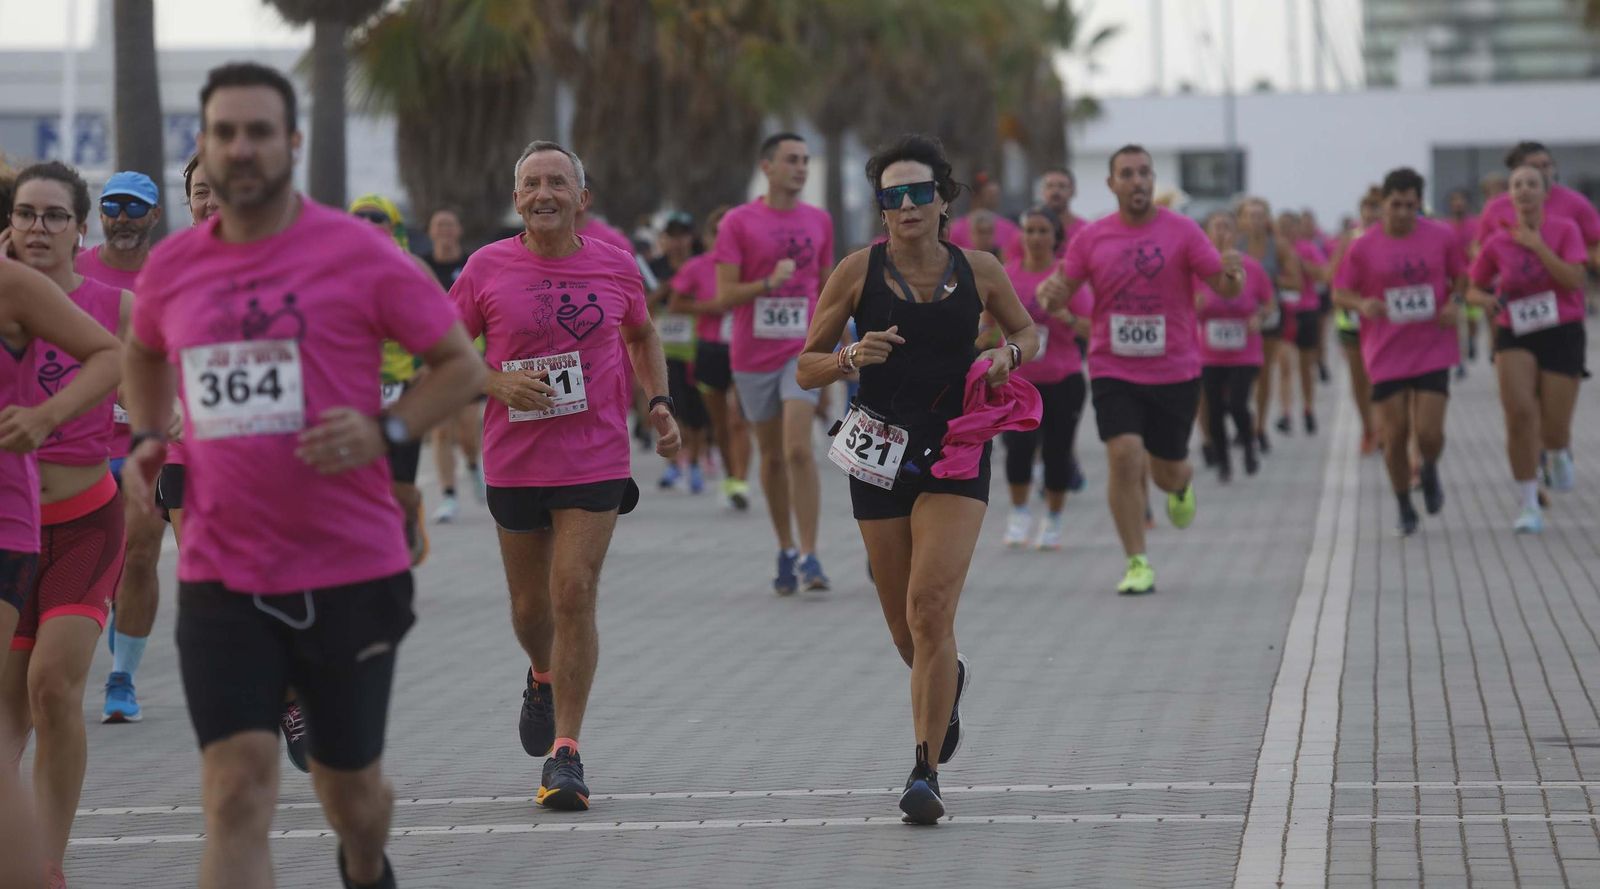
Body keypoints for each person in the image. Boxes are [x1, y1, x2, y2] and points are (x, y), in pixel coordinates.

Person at [120, 62, 483, 889]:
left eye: (258, 132)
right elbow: (142, 349)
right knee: (236, 790)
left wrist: (386, 427)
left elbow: (457, 367)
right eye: (224, 133)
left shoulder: (360, 253)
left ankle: (365, 864)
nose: (240, 149)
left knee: (351, 793)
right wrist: (147, 433)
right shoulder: (174, 267)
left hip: (349, 567)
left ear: (292, 142)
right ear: (204, 147)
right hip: (221, 570)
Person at [797, 133, 1039, 824]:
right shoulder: (856, 271)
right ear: (880, 208)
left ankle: (924, 770)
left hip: (955, 447)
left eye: (918, 193)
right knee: (907, 628)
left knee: (932, 608)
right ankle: (947, 680)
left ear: (943, 199)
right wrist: (849, 357)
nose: (906, 206)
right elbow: (805, 365)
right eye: (892, 196)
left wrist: (1007, 354)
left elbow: (1029, 331)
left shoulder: (980, 267)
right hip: (876, 452)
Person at [451, 139, 678, 813]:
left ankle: (568, 751)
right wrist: (495, 382)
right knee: (531, 609)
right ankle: (542, 673)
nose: (543, 193)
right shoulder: (484, 267)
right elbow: (442, 345)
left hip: (595, 453)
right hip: (516, 458)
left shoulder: (615, 266)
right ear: (516, 198)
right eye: (531, 183)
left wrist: (658, 402)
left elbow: (642, 334)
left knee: (574, 590)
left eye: (558, 182)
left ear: (583, 198)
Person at [1038, 145, 1243, 595]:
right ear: (1112, 184)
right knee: (1124, 454)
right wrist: (1051, 293)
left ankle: (1182, 482)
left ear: (1153, 181)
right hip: (1114, 366)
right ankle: (1137, 561)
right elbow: (1061, 291)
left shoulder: (1184, 232)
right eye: (1127, 174)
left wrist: (1233, 273)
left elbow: (1224, 288)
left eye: (1144, 173)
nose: (1137, 181)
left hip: (1176, 370)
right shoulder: (1092, 238)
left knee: (1167, 470)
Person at [0, 167, 126, 889]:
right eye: (26, 214)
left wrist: (157, 428)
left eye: (55, 216)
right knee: (9, 709)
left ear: (83, 229)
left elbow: (150, 369)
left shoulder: (116, 305)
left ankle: (47, 861)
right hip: (13, 527)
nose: (39, 228)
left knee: (53, 684)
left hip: (86, 523)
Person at [714, 133, 834, 594]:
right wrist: (767, 282)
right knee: (772, 456)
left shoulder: (819, 220)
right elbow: (724, 296)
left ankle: (810, 553)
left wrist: (843, 349)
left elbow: (828, 292)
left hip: (802, 352)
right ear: (767, 167)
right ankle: (785, 547)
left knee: (798, 448)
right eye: (791, 160)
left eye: (805, 160)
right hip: (752, 354)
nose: (801, 168)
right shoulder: (738, 223)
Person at [73, 170, 163, 724]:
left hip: (147, 442)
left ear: (155, 215)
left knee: (140, 553)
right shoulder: (72, 272)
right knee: (88, 566)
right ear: (98, 215)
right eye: (114, 206)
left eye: (136, 207)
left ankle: (121, 678)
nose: (124, 217)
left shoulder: (170, 275)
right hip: (78, 441)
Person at [1333, 167, 1466, 536]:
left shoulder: (1441, 237)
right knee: (1394, 435)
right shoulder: (1363, 246)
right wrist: (1361, 304)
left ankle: (1430, 467)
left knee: (1429, 433)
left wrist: (1454, 302)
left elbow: (1462, 277)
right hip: (1386, 351)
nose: (1404, 213)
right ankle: (1404, 502)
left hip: (1432, 347)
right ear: (1383, 205)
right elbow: (1339, 292)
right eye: (1396, 205)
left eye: (1411, 205)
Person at [1467, 163, 1588, 532]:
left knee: (1554, 428)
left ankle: (1556, 453)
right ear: (1510, 195)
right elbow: (1473, 287)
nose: (1523, 191)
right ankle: (1529, 504)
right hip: (1515, 329)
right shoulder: (1497, 240)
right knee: (1519, 415)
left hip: (1561, 328)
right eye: (1517, 185)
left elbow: (1574, 281)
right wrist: (1485, 301)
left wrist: (1539, 247)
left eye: (1531, 184)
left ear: (1545, 192)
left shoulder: (1565, 230)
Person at [349, 194, 434, 566]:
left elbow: (450, 325)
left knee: (398, 486)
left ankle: (410, 508)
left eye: (377, 217)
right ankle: (375, 556)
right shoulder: (336, 270)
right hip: (356, 393)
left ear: (394, 225)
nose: (367, 223)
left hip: (404, 392)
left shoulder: (412, 268)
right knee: (360, 482)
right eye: (360, 217)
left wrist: (428, 374)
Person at [999, 207, 1089, 549]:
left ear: (1056, 237)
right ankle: (1019, 513)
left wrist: (1062, 314)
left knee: (1057, 452)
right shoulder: (1007, 275)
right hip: (1018, 382)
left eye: (1042, 231)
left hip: (1062, 379)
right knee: (1017, 450)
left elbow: (1092, 328)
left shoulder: (1066, 279)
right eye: (1029, 230)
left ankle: (1053, 519)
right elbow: (990, 325)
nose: (1035, 238)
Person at [668, 209, 752, 507]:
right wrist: (711, 306)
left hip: (745, 348)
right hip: (709, 349)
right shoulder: (697, 266)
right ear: (708, 236)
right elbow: (676, 304)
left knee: (740, 420)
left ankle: (740, 482)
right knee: (719, 423)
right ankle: (730, 475)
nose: (723, 237)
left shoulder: (752, 265)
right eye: (717, 232)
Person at [1195, 210, 1272, 482]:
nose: (1222, 233)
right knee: (1214, 408)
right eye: (1216, 227)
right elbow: (1182, 305)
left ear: (1236, 234)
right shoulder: (1197, 269)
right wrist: (1195, 306)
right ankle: (1224, 460)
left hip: (1245, 351)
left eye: (1227, 227)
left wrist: (1259, 317)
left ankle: (1249, 444)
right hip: (1209, 354)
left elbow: (1269, 302)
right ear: (1206, 234)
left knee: (1238, 403)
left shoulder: (1251, 267)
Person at [421, 208, 484, 524]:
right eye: (438, 225)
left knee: (468, 433)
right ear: (431, 232)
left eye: (449, 225)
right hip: (434, 361)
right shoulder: (420, 266)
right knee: (442, 431)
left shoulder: (473, 264)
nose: (444, 230)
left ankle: (474, 467)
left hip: (471, 359)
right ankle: (448, 496)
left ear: (458, 230)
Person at [649, 213, 710, 493]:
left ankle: (695, 464)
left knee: (696, 413)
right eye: (671, 235)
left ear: (691, 237)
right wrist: (665, 291)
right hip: (662, 350)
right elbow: (639, 304)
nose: (677, 241)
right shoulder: (654, 267)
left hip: (696, 349)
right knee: (668, 410)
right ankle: (673, 465)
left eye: (682, 234)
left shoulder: (701, 265)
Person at [1235, 197, 1301, 455]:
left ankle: (1259, 427)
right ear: (1240, 220)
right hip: (1236, 319)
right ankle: (1243, 423)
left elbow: (1296, 282)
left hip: (1269, 315)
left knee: (1263, 375)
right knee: (1239, 377)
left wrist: (1269, 279)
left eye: (1260, 215)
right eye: (1249, 215)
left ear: (1267, 219)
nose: (1255, 220)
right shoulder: (1233, 246)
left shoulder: (1279, 247)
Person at [1327, 187, 1384, 455]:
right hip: (1351, 318)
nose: (1372, 213)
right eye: (1367, 207)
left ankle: (1383, 425)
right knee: (1359, 379)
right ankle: (1367, 428)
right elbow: (1333, 274)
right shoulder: (1350, 238)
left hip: (1382, 319)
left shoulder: (1390, 238)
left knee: (1381, 377)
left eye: (1376, 206)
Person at [947, 172, 1020, 261]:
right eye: (989, 194)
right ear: (975, 196)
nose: (994, 199)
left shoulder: (1010, 229)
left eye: (996, 195)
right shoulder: (955, 230)